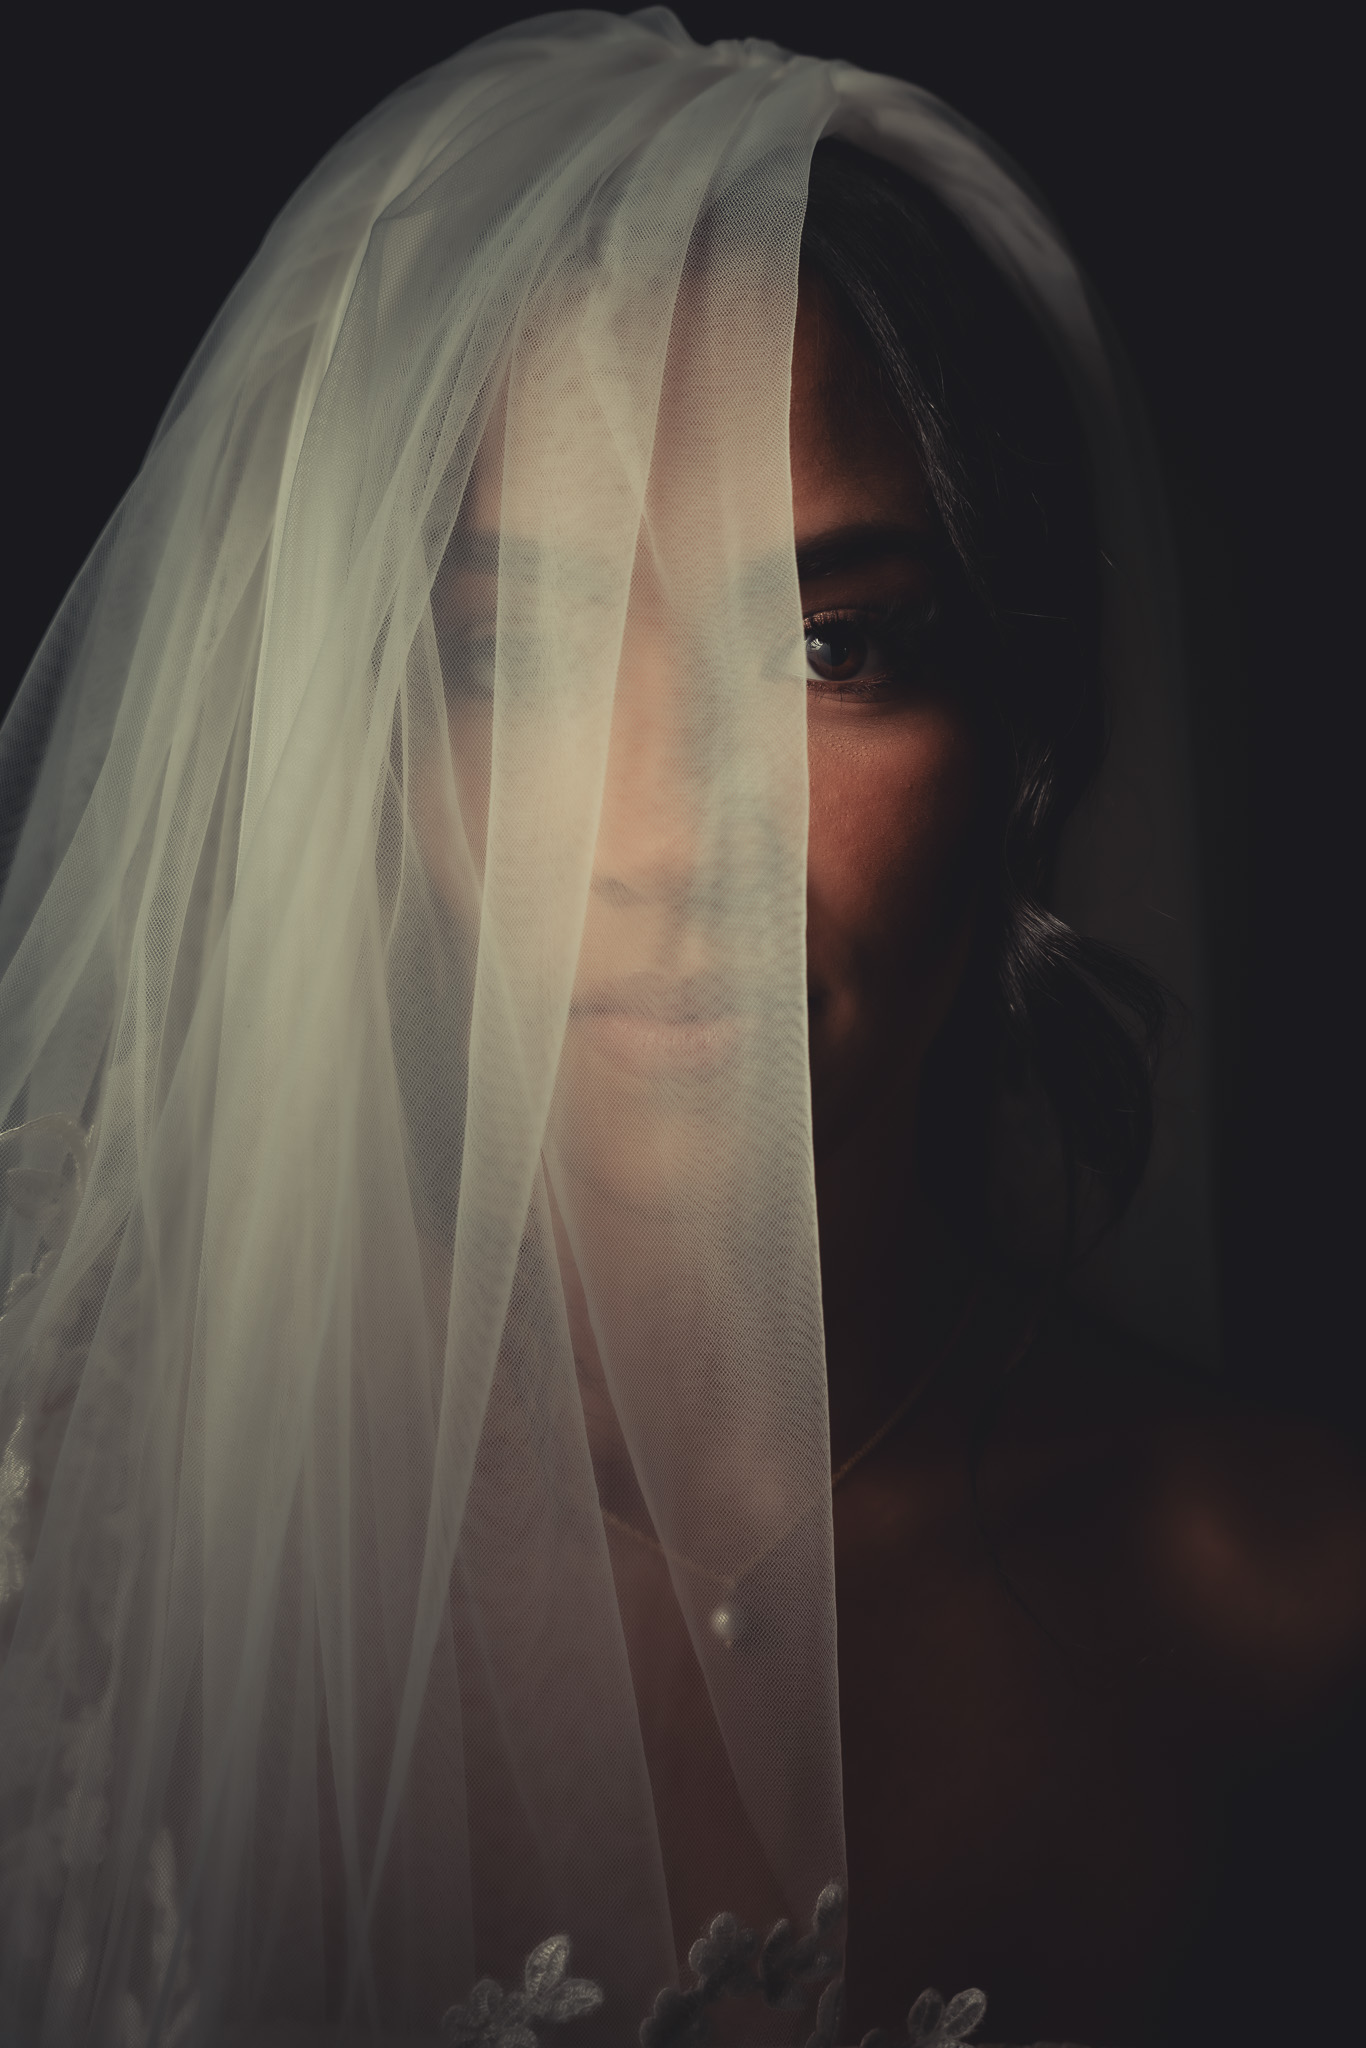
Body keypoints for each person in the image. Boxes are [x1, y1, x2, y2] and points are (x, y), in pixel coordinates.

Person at [0, 11, 1361, 2046]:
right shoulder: (74, 1536)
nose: (665, 836)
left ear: (1020, 738)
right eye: (523, 651)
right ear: (378, 745)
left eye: (829, 643)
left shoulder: (1270, 1611)